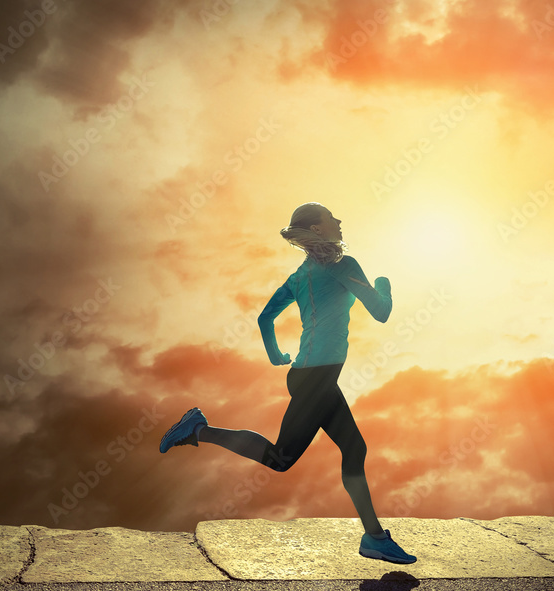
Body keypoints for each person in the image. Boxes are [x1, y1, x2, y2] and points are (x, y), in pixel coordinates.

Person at [159, 202, 416, 564]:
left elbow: (265, 318)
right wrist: (384, 285)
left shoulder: (300, 275)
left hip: (312, 377)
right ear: (316, 228)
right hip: (316, 380)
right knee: (282, 459)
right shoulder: (345, 266)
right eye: (332, 218)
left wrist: (275, 354)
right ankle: (198, 429)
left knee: (354, 450)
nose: (339, 221)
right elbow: (381, 311)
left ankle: (374, 538)